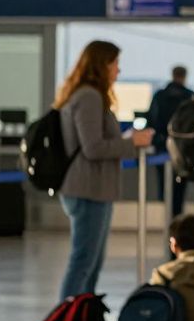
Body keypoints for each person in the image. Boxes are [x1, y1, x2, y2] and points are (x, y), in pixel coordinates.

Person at [55, 41, 154, 298]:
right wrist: (132, 143)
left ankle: (83, 313)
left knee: (91, 263)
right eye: (115, 63)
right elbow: (93, 148)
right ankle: (67, 315)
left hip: (94, 189)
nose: (118, 70)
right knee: (83, 262)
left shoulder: (89, 95)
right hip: (88, 189)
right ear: (102, 65)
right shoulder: (89, 97)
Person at [145, 65, 193, 219]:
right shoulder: (189, 96)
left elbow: (151, 119)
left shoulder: (160, 96)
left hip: (162, 146)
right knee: (179, 188)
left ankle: (168, 219)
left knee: (164, 186)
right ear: (184, 77)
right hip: (182, 149)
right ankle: (176, 218)